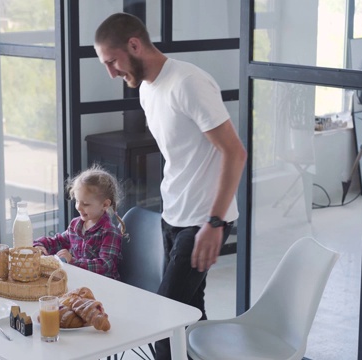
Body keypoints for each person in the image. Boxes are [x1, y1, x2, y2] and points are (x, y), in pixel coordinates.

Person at [94, 13, 247, 358]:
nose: (111, 73)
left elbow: (234, 153)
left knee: (164, 326)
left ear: (134, 45)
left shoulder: (189, 82)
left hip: (202, 221)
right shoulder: (147, 90)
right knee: (192, 319)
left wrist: (215, 223)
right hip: (173, 215)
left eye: (112, 61)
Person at [32, 164, 124, 280]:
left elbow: (105, 265)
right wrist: (40, 245)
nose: (78, 207)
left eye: (85, 204)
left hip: (104, 286)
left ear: (105, 205)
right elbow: (59, 241)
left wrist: (73, 261)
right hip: (80, 280)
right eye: (77, 201)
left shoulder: (110, 231)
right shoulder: (76, 225)